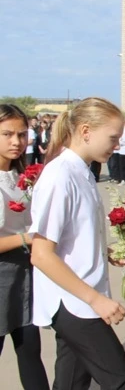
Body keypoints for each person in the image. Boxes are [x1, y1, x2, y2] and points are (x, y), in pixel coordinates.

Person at [29, 97, 125, 390]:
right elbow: (41, 254)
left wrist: (107, 252)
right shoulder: (60, 175)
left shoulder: (83, 171)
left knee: (72, 381)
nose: (116, 145)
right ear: (86, 131)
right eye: (113, 138)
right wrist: (95, 299)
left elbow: (73, 235)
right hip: (74, 302)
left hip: (81, 294)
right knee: (121, 379)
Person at [0, 104, 50, 390]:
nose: (16, 142)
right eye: (7, 134)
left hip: (26, 273)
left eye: (21, 134)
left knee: (30, 350)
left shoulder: (21, 175)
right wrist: (29, 238)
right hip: (3, 274)